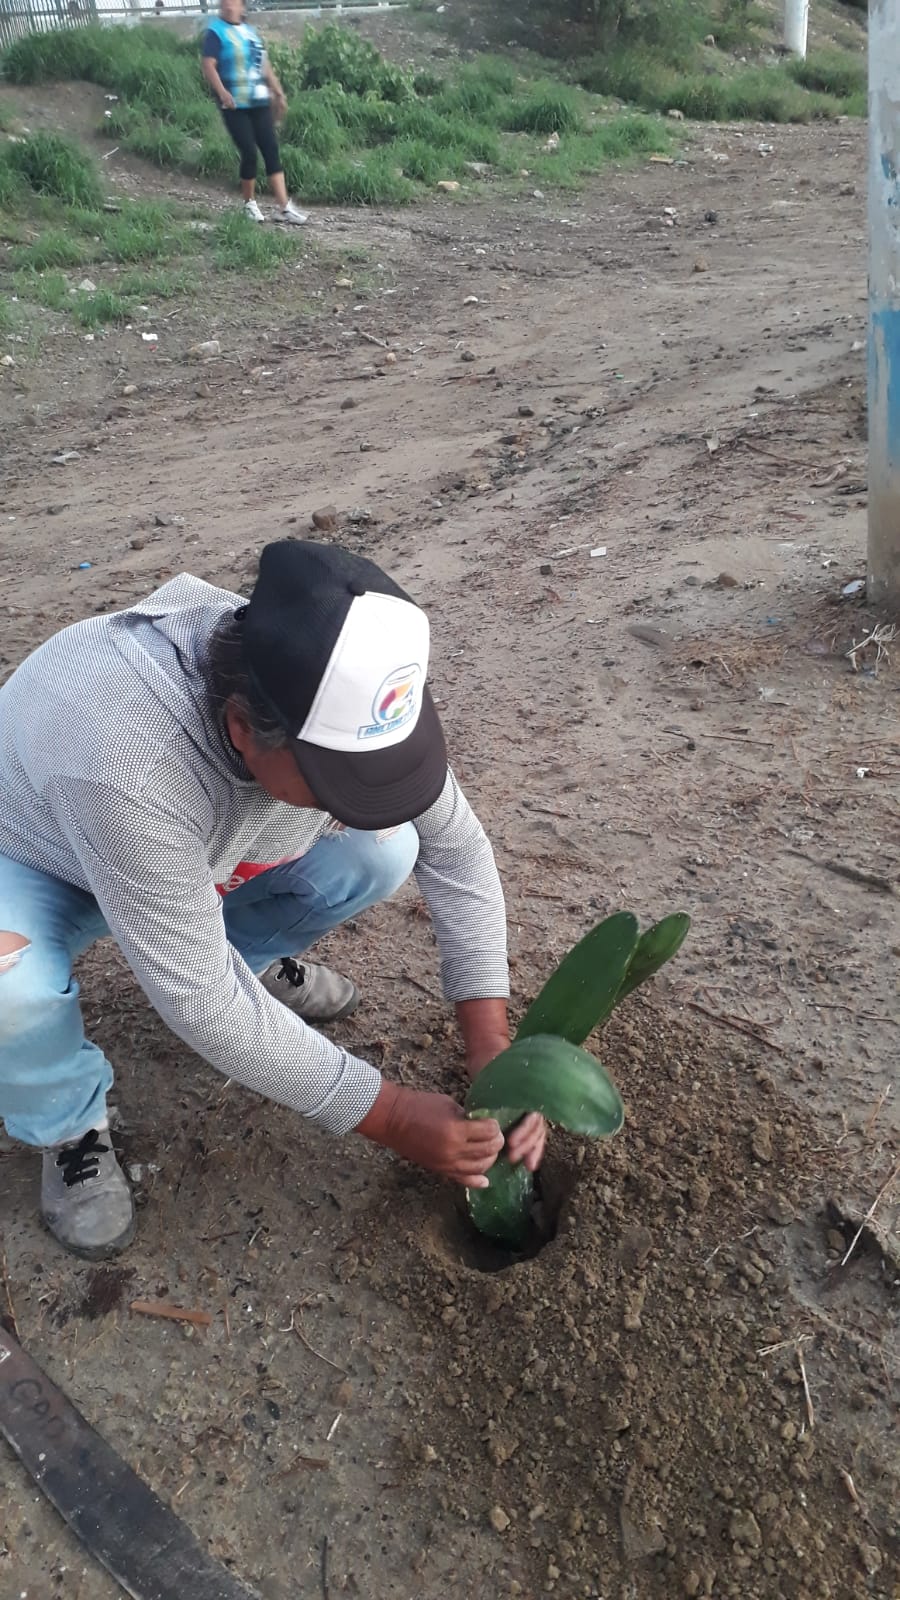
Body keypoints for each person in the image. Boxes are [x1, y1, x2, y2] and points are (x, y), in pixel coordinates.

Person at [0, 540, 546, 1261]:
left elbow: (457, 849)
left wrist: (492, 1049)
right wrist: (389, 1115)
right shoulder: (126, 759)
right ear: (241, 728)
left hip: (185, 853)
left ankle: (247, 960)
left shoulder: (335, 678)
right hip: (36, 856)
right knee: (11, 988)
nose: (351, 800)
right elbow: (201, 1002)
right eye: (334, 782)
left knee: (382, 847)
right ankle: (68, 1126)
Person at [200, 0, 307, 226]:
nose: (228, 7)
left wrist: (278, 92)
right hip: (234, 104)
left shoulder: (250, 32)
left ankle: (284, 208)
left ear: (242, 7)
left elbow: (264, 66)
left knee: (271, 149)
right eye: (225, 3)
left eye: (233, 3)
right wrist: (221, 92)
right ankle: (249, 204)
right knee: (249, 151)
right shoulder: (215, 32)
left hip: (258, 101)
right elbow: (208, 65)